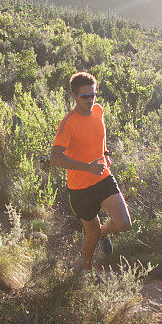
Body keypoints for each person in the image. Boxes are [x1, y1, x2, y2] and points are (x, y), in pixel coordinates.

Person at [50, 71, 132, 272]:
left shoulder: (98, 110)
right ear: (74, 96)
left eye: (93, 95)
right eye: (84, 96)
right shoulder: (68, 123)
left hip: (103, 177)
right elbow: (55, 157)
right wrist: (87, 166)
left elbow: (100, 135)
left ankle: (105, 232)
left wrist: (105, 152)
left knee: (124, 224)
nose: (90, 100)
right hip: (80, 188)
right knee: (91, 233)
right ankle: (85, 271)